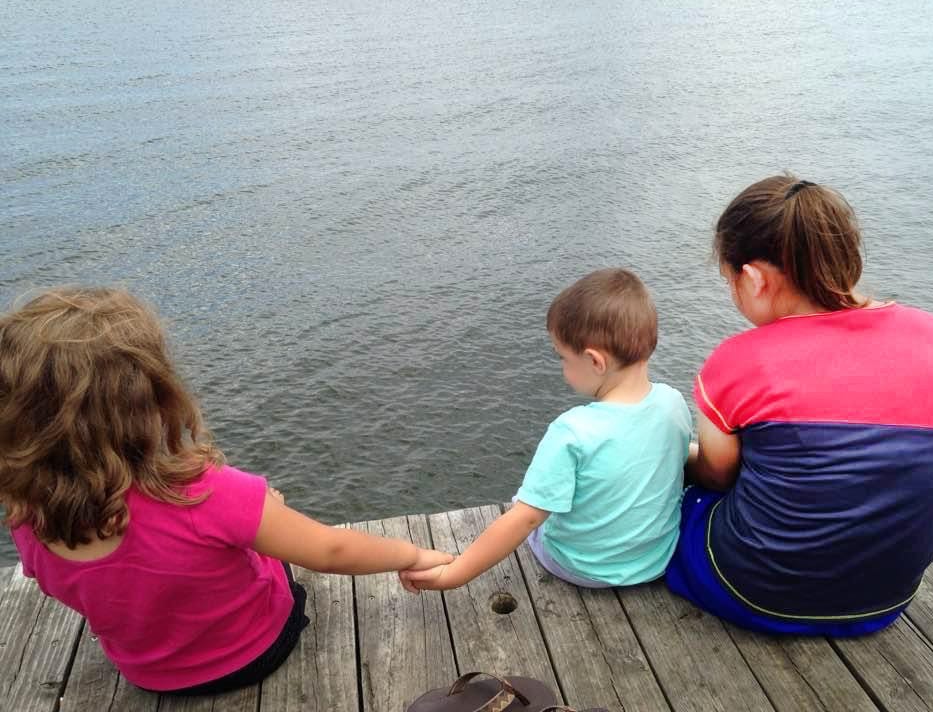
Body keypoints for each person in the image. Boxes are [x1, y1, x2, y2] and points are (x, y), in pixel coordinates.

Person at [0, 287, 453, 695]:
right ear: (149, 400)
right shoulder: (202, 494)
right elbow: (331, 551)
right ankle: (267, 520)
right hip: (256, 653)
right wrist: (410, 556)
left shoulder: (26, 520)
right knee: (265, 529)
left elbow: (69, 582)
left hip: (148, 676)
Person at [672, 175, 933, 636]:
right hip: (887, 600)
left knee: (686, 499)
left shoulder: (738, 360)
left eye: (730, 281)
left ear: (754, 278)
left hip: (755, 593)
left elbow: (716, 475)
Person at [401, 268, 693, 593]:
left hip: (582, 567)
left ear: (595, 362)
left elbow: (525, 519)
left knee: (527, 504)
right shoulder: (673, 404)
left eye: (562, 357)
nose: (561, 367)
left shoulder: (573, 431)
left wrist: (453, 574)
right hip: (653, 561)